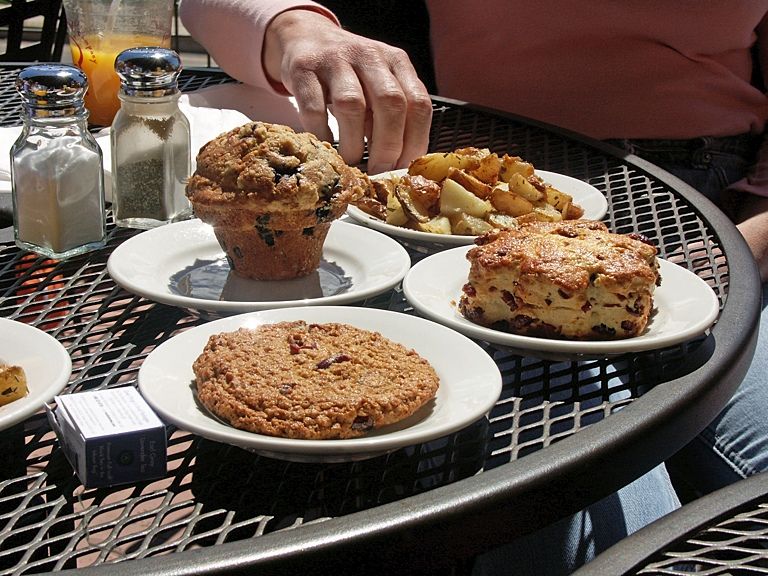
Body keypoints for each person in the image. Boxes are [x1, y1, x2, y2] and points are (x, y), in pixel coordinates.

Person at [178, 1, 768, 572]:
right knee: (550, 506)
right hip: (474, 214)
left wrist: (744, 242)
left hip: (718, 204)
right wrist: (294, 25)